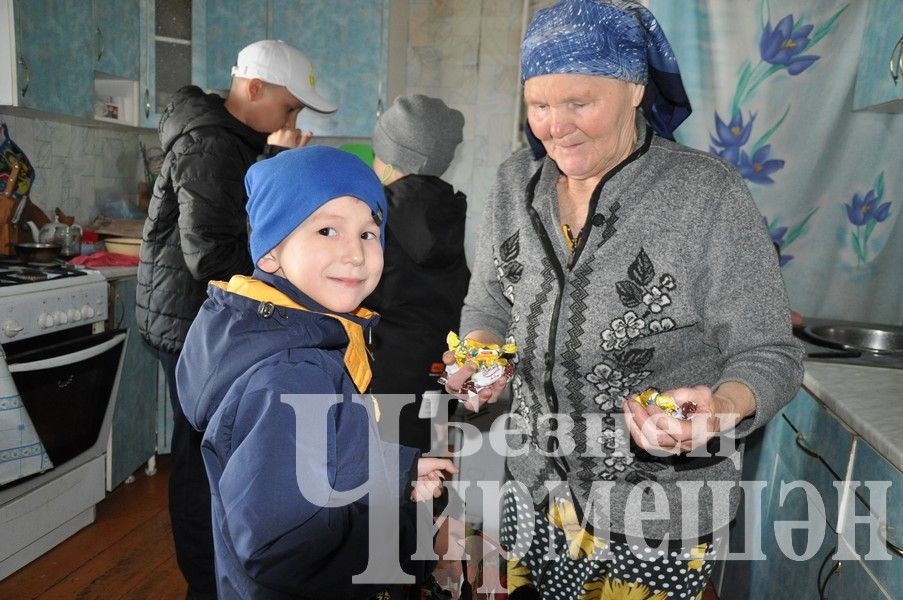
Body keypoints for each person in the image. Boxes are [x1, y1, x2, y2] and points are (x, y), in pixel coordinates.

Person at [441, 1, 805, 598]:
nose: (556, 126)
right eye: (539, 106)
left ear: (634, 89)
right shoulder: (513, 184)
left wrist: (718, 409)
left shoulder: (705, 196)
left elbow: (769, 352)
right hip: (534, 493)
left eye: (579, 103)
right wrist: (480, 354)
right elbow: (488, 301)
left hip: (658, 511)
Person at [175, 146, 456, 598]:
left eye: (369, 234)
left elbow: (320, 458)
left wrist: (396, 472)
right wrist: (410, 543)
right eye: (327, 230)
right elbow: (285, 545)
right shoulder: (290, 375)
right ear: (270, 253)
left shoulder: (294, 340)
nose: (355, 255)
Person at [135, 39, 336, 598]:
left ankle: (219, 579)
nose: (292, 119)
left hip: (199, 318)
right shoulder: (213, 146)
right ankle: (206, 585)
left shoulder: (232, 141)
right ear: (255, 89)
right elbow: (215, 257)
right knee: (203, 461)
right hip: (190, 323)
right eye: (290, 107)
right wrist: (278, 164)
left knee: (216, 455)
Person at [365, 94, 470, 452]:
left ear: (391, 157)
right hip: (436, 373)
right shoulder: (451, 212)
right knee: (429, 471)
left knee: (382, 482)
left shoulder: (373, 215)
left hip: (383, 376)